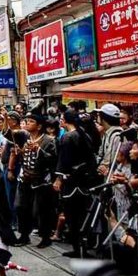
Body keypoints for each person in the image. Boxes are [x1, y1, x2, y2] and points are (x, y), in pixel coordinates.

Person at [55, 109, 99, 258]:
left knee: (72, 217)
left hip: (72, 182)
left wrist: (59, 178)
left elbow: (63, 161)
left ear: (66, 120)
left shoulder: (68, 137)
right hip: (84, 181)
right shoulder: (84, 135)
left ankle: (77, 248)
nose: (60, 121)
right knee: (82, 216)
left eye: (62, 118)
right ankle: (83, 247)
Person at [12, 113, 57, 248]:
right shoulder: (25, 138)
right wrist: (19, 152)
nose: (28, 123)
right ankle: (24, 235)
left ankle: (45, 236)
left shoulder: (49, 140)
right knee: (21, 207)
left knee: (41, 210)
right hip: (25, 177)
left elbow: (53, 159)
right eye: (27, 121)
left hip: (41, 179)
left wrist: (39, 150)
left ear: (39, 126)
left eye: (31, 121)